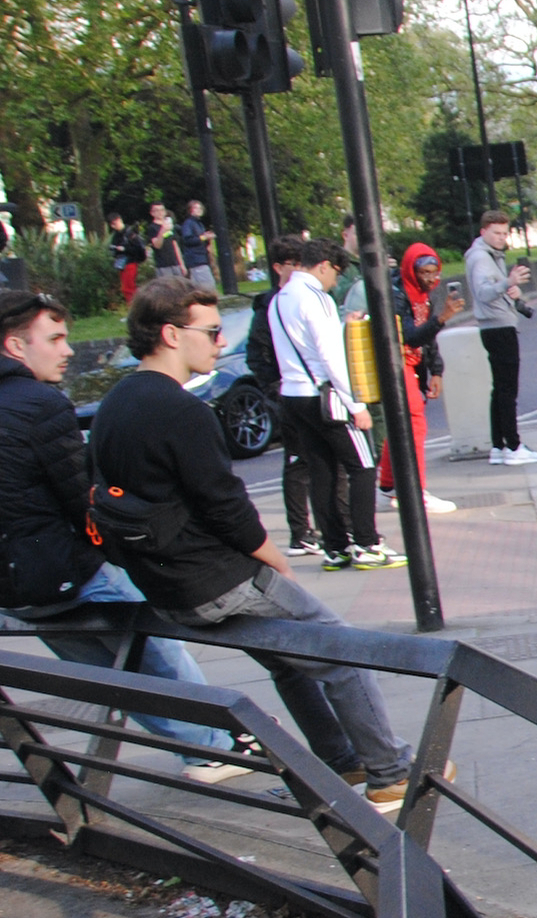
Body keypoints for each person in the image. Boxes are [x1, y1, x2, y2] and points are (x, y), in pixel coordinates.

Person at [89, 279, 420, 811]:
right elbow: (227, 509)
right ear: (173, 334)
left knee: (288, 661)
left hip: (165, 586)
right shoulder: (184, 411)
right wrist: (275, 559)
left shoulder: (117, 403)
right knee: (339, 652)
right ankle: (390, 771)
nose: (220, 343)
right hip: (216, 578)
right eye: (213, 331)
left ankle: (342, 760)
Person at [0, 289, 251, 784]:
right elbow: (82, 499)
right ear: (15, 346)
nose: (67, 350)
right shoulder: (40, 404)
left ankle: (207, 746)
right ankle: (218, 745)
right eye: (54, 339)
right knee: (162, 649)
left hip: (15, 589)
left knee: (111, 675)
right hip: (69, 571)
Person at [268, 239, 406, 570]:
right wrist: (356, 404)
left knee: (322, 471)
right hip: (325, 394)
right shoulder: (317, 299)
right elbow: (331, 356)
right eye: (336, 273)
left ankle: (335, 547)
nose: (335, 281)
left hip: (293, 394)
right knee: (362, 465)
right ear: (324, 265)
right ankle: (367, 543)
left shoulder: (279, 299)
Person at [244, 245, 329, 557]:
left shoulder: (306, 297)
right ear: (278, 267)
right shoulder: (269, 305)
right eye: (293, 263)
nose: (299, 269)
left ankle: (326, 528)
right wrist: (274, 386)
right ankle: (301, 531)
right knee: (298, 461)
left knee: (319, 460)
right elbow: (257, 353)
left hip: (312, 389)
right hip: (289, 391)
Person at [379, 242, 461, 513]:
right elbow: (410, 336)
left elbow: (428, 339)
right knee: (415, 424)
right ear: (411, 271)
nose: (430, 279)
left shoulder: (422, 295)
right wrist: (443, 318)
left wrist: (436, 370)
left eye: (434, 273)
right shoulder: (397, 294)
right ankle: (415, 491)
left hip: (413, 364)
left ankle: (388, 486)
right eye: (424, 272)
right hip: (397, 362)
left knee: (401, 423)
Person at [464, 210, 537, 465]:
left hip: (495, 326)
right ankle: (513, 446)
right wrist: (506, 282)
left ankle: (498, 446)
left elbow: (493, 290)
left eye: (504, 233)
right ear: (483, 231)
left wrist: (510, 289)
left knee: (500, 388)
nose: (501, 238)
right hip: (498, 327)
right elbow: (484, 293)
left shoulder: (489, 255)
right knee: (508, 389)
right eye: (496, 233)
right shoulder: (480, 257)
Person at [177, 198, 214, 289]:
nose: (199, 210)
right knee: (208, 285)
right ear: (190, 210)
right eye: (196, 208)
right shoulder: (189, 223)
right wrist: (203, 237)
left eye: (200, 208)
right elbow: (187, 240)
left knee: (197, 286)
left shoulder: (199, 224)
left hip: (201, 257)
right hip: (196, 259)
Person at [146, 201, 185, 280]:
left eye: (162, 210)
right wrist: (162, 231)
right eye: (157, 210)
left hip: (175, 263)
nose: (160, 213)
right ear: (152, 213)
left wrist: (182, 264)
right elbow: (157, 245)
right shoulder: (152, 228)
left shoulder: (170, 226)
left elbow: (175, 245)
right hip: (163, 265)